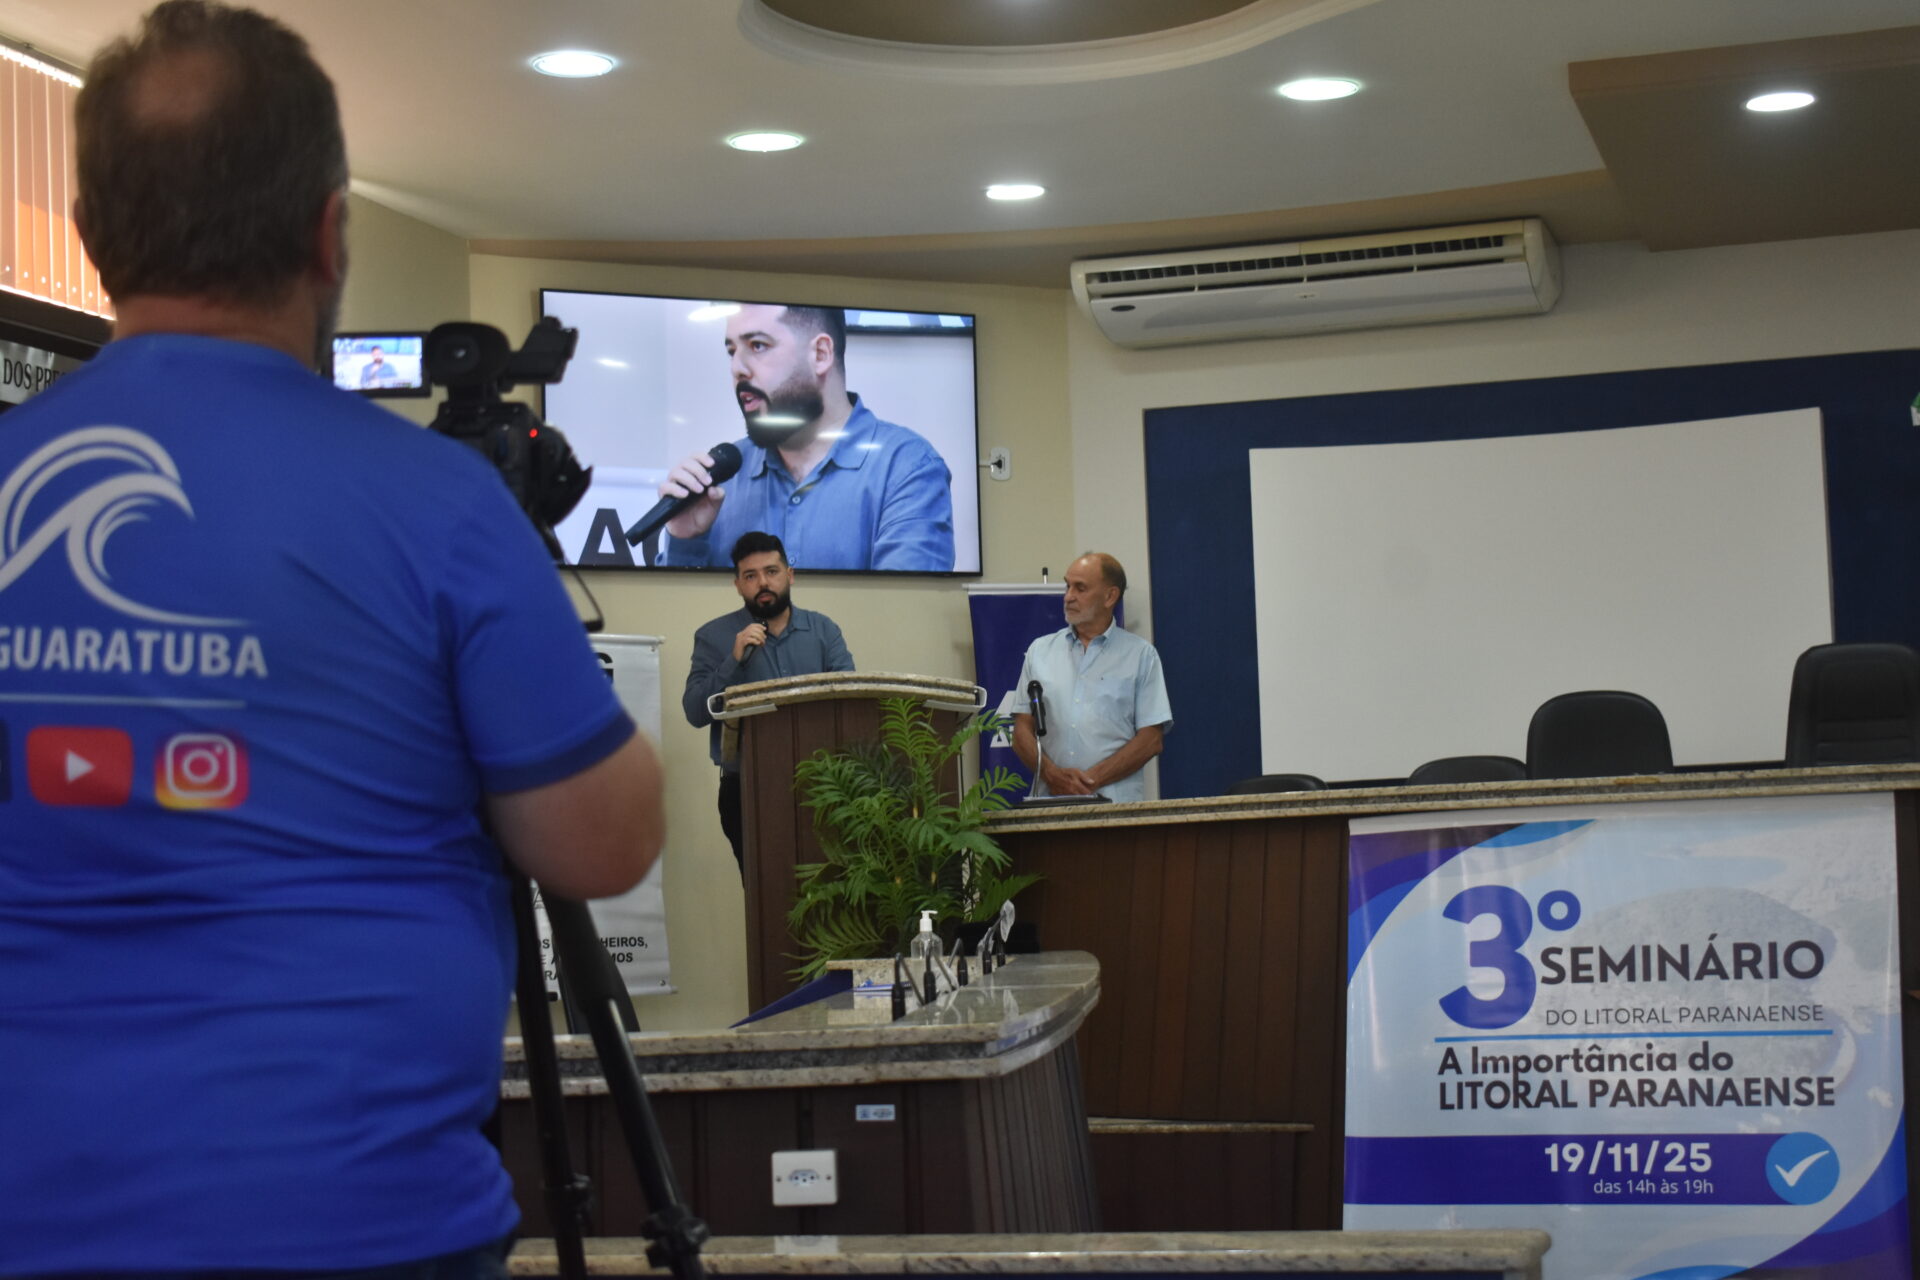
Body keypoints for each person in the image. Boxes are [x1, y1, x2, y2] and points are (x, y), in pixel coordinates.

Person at [0, 3, 664, 1276]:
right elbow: (604, 840)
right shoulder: (440, 502)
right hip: (357, 1221)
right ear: (328, 230)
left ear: (88, 232)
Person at [657, 304, 955, 571]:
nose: (737, 369)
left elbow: (905, 608)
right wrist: (685, 539)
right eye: (732, 351)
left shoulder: (906, 468)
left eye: (758, 345)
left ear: (821, 354)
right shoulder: (721, 480)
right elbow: (680, 612)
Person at [683, 531, 853, 868]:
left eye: (771, 572)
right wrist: (733, 660)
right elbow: (694, 712)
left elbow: (848, 700)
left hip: (824, 785)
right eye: (750, 576)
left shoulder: (824, 630)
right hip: (747, 787)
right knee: (763, 889)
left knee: (829, 890)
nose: (763, 582)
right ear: (738, 585)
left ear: (789, 575)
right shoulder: (714, 636)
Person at [1011, 552, 1173, 803]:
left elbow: (1151, 740)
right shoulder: (1040, 651)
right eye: (1067, 586)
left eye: (1080, 588)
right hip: (1050, 803)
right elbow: (1022, 729)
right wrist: (1053, 776)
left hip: (1115, 806)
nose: (1068, 596)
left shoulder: (1141, 655)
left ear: (1110, 596)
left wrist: (1089, 782)